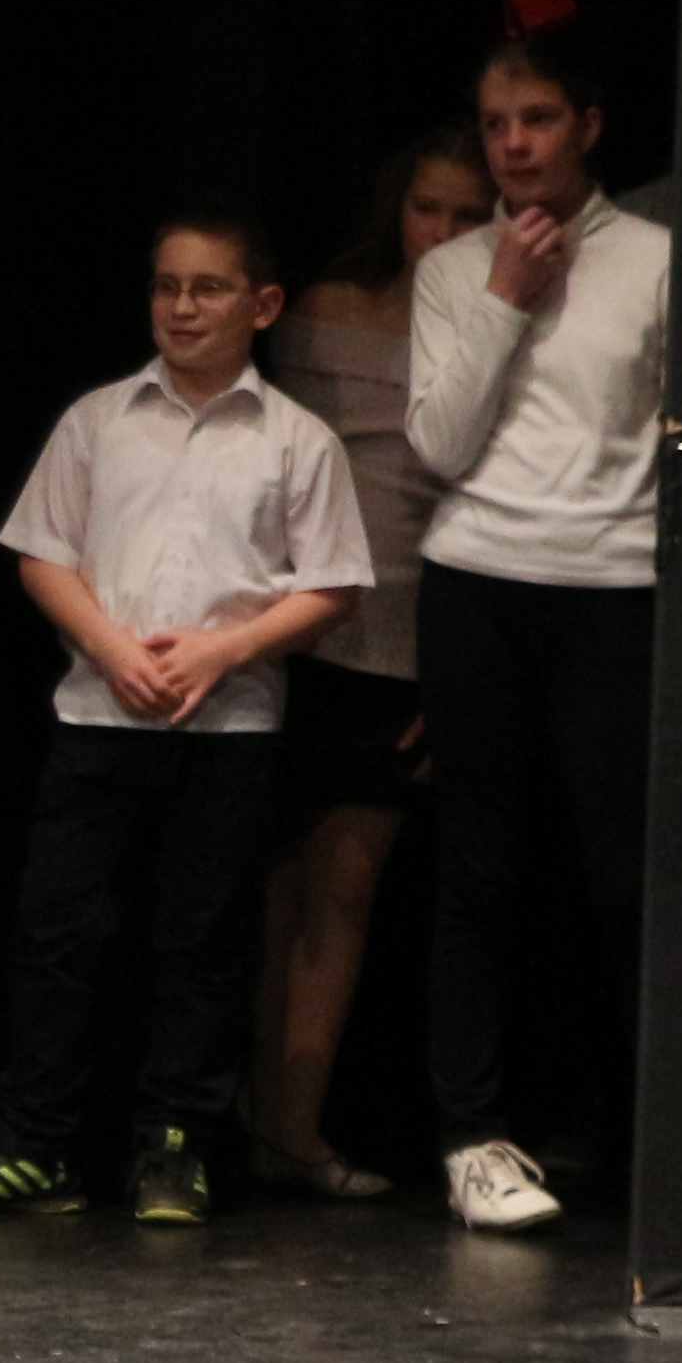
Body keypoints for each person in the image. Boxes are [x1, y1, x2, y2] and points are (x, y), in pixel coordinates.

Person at [0, 215, 370, 1226]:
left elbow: (332, 584)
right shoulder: (99, 420)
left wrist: (221, 651)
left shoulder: (298, 440)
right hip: (98, 716)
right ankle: (35, 1143)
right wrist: (111, 648)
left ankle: (175, 1144)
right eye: (167, 287)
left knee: (203, 942)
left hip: (228, 731)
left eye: (208, 288)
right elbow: (43, 553)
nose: (182, 307)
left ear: (263, 305)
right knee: (58, 933)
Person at [405, 0, 668, 1234]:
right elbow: (438, 446)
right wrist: (505, 291)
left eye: (539, 118)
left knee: (617, 875)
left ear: (589, 127)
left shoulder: (658, 260)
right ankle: (471, 1137)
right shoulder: (455, 270)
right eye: (496, 123)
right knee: (478, 870)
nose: (513, 143)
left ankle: (635, 1136)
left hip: (615, 587)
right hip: (479, 585)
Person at [243, 125, 492, 1197]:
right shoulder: (324, 313)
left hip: (404, 643)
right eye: (427, 208)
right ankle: (253, 1121)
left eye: (468, 215)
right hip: (290, 628)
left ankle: (297, 1130)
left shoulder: (495, 332)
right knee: (271, 885)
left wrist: (457, 675)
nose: (443, 231)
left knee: (345, 884)